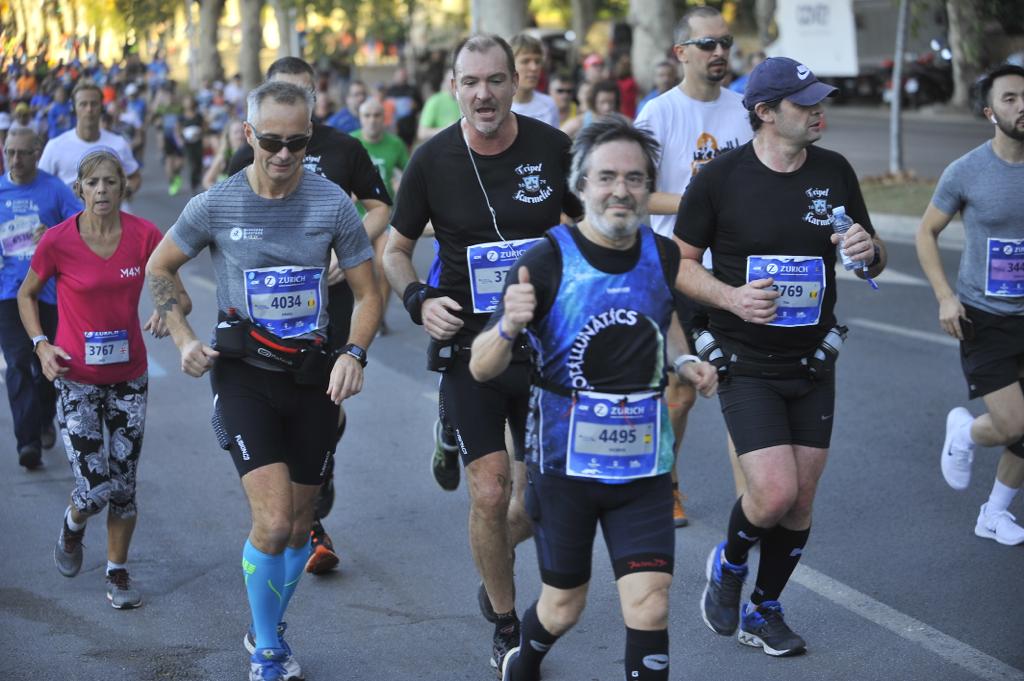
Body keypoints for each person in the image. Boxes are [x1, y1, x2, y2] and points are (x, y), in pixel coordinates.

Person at [146, 80, 381, 681]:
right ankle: (270, 648)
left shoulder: (331, 204)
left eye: (296, 142)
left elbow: (368, 291)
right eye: (271, 140)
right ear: (249, 134)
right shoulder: (216, 204)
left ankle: (265, 626)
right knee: (274, 523)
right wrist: (183, 338)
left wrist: (354, 351)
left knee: (301, 528)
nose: (283, 154)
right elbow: (161, 266)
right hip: (244, 375)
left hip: (314, 379)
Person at [469, 115, 718, 681]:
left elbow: (663, 317)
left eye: (635, 178)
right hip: (565, 472)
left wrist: (683, 362)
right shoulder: (546, 260)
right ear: (580, 185)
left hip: (644, 467)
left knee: (650, 603)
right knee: (564, 606)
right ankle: (524, 660)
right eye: (607, 177)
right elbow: (482, 367)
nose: (621, 190)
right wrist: (507, 328)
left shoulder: (662, 254)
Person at [675, 57, 887, 656]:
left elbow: (870, 261)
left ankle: (764, 610)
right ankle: (731, 564)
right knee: (771, 493)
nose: (819, 111)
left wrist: (868, 252)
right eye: (805, 104)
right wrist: (732, 297)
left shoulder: (835, 171)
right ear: (766, 113)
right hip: (745, 359)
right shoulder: (719, 178)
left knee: (801, 500)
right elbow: (681, 265)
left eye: (820, 100)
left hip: (814, 358)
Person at [384, 34, 582, 674]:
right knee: (491, 494)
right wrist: (417, 299)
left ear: (515, 84)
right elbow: (394, 248)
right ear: (453, 88)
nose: (483, 94)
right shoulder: (431, 160)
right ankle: (505, 618)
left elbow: (590, 235)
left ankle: (491, 553)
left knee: (539, 503)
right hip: (473, 350)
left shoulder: (554, 151)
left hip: (547, 349)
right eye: (471, 82)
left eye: (496, 80)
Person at [228, 57, 392, 577]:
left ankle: (315, 470)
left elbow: (380, 207)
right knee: (277, 402)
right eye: (281, 96)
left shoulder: (344, 149)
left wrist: (348, 254)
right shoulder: (250, 153)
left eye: (302, 97)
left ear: (314, 101)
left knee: (327, 400)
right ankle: (301, 510)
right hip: (268, 311)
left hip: (331, 297)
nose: (284, 146)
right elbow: (226, 216)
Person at [18, 149, 184, 608]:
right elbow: (26, 294)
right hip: (76, 378)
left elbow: (176, 290)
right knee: (93, 489)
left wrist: (165, 311)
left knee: (124, 485)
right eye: (94, 183)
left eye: (111, 182)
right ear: (80, 190)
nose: (103, 190)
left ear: (122, 187)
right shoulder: (58, 241)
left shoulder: (144, 236)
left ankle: (118, 572)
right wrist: (41, 344)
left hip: (129, 378)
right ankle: (73, 528)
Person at [635, 5, 754, 525]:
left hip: (738, 266)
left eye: (725, 43)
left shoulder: (748, 108)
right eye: (708, 45)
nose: (720, 53)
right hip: (676, 265)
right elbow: (634, 194)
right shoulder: (658, 115)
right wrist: (697, 202)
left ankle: (752, 505)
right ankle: (667, 481)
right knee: (682, 387)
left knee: (745, 382)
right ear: (681, 53)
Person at [916, 63, 1024, 546]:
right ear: (989, 111)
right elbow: (926, 232)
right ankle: (964, 432)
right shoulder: (966, 171)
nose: (1022, 107)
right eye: (1010, 99)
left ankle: (993, 514)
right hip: (985, 316)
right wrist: (944, 297)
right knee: (1013, 424)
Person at [1, 128, 81, 469]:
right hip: (7, 295)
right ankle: (28, 442)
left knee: (47, 365)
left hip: (49, 294)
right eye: (10, 152)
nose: (16, 160)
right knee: (18, 364)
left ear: (37, 153)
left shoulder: (54, 189)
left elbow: (81, 225)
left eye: (23, 153)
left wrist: (54, 235)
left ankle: (46, 416)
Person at [353, 97, 409, 330]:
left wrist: (401, 185)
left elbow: (410, 175)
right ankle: (364, 310)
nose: (372, 121)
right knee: (357, 272)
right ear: (360, 118)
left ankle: (377, 317)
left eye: (377, 115)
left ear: (383, 118)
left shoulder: (395, 144)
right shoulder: (351, 142)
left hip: (385, 214)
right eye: (367, 116)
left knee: (384, 265)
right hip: (355, 217)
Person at [38, 81, 141, 200]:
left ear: (102, 107)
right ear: (74, 107)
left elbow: (134, 177)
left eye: (94, 104)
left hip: (110, 215)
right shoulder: (55, 146)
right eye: (83, 104)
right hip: (69, 215)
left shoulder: (118, 143)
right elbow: (40, 184)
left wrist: (123, 192)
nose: (89, 109)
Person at [509, 34, 560, 128]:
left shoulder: (549, 105)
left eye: (538, 61)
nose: (534, 67)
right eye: (525, 61)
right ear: (510, 65)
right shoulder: (499, 107)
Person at [417, 71, 461, 141]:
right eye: (453, 81)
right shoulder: (434, 101)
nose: (456, 84)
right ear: (446, 82)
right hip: (444, 148)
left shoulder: (464, 100)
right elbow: (422, 133)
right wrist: (446, 129)